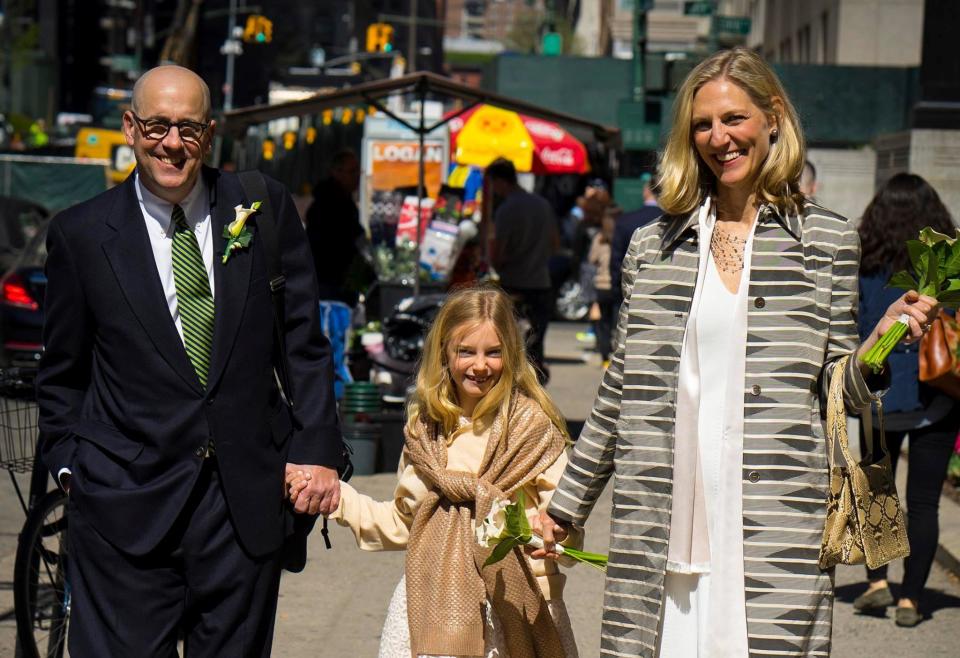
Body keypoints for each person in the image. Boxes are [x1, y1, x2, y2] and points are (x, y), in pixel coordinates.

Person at [532, 47, 939, 657]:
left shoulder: (825, 241)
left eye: (734, 119)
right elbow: (620, 395)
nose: (719, 137)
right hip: (662, 513)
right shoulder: (653, 246)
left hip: (773, 517)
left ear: (773, 118)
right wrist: (565, 507)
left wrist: (882, 342)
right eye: (703, 124)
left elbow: (837, 390)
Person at [37, 65, 344, 657]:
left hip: (242, 508)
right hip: (123, 508)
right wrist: (75, 471)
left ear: (210, 133)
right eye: (156, 126)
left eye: (188, 128)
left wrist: (317, 452)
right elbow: (62, 376)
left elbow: (303, 342)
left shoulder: (263, 206)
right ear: (130, 128)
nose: (172, 144)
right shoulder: (81, 235)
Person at [291, 285, 580, 657]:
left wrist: (558, 536)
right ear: (444, 351)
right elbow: (403, 524)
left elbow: (564, 524)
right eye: (466, 351)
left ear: (511, 354)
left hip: (515, 610)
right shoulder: (426, 432)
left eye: (494, 352)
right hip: (435, 606)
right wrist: (337, 498)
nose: (480, 365)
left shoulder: (532, 429)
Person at [852, 173, 960, 627]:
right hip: (935, 394)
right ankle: (911, 600)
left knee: (878, 493)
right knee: (924, 502)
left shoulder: (864, 258)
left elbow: (853, 322)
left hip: (877, 392)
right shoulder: (944, 261)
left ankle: (877, 582)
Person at [487, 158, 558, 383]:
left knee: (511, 346)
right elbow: (555, 244)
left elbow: (498, 255)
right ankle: (536, 396)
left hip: (514, 284)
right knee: (536, 345)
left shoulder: (506, 210)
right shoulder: (542, 205)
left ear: (499, 181)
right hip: (541, 282)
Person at [305, 148, 366, 305]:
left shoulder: (340, 200)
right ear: (336, 172)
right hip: (331, 283)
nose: (357, 176)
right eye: (352, 171)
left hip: (333, 281)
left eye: (358, 171)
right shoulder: (331, 203)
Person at [609, 173, 662, 302]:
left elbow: (616, 260)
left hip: (631, 290)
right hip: (662, 291)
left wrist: (617, 290)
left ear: (647, 191)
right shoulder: (677, 223)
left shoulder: (625, 221)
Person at [588, 207, 617, 365]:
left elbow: (592, 258)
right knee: (617, 321)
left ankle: (605, 356)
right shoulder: (620, 237)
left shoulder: (599, 239)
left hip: (601, 284)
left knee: (603, 323)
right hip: (616, 284)